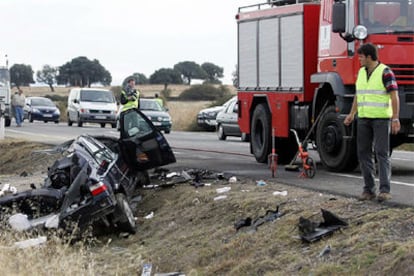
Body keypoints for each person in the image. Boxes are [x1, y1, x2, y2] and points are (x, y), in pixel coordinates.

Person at [344, 43, 400, 202]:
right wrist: (352, 113)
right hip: (363, 118)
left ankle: (384, 190)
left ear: (369, 57)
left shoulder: (385, 72)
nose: (359, 59)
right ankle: (368, 190)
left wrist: (395, 118)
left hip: (381, 119)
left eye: (361, 56)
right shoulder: (361, 72)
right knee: (363, 153)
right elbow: (358, 94)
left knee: (381, 153)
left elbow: (394, 96)